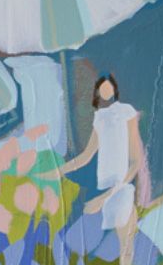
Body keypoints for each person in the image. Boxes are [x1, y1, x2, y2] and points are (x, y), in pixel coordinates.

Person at [64, 72, 150, 248]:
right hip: (103, 186)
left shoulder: (126, 112)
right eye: (102, 87)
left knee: (124, 244)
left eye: (108, 86)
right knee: (83, 241)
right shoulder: (100, 117)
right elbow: (86, 156)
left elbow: (135, 162)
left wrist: (104, 197)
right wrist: (57, 171)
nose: (105, 90)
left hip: (121, 187)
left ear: (114, 89)